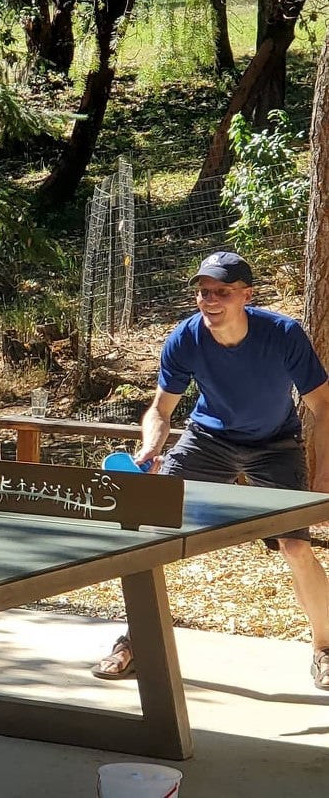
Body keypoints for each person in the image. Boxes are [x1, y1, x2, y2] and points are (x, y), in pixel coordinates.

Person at [91, 251, 329, 690]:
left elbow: (322, 407)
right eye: (203, 291)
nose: (210, 299)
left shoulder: (283, 334)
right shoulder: (184, 337)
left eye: (222, 291)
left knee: (296, 549)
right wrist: (149, 447)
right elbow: (161, 410)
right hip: (207, 441)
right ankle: (134, 642)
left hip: (275, 446)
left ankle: (325, 650)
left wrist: (322, 480)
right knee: (151, 534)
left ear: (246, 295)